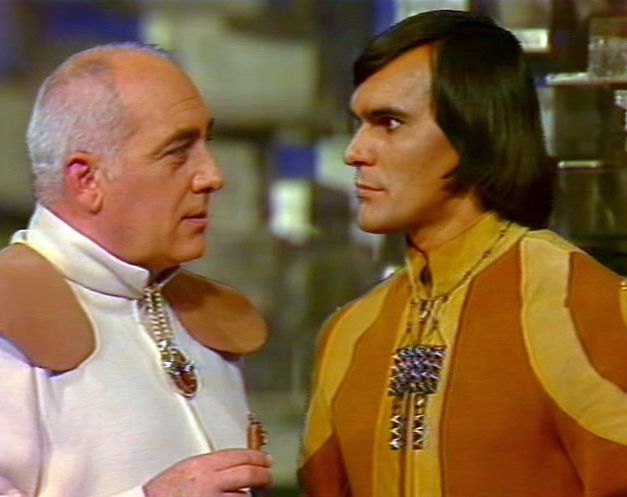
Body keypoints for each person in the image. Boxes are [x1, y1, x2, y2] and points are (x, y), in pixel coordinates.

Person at [300, 9, 627, 497]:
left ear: (473, 130)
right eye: (359, 124)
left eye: (389, 123)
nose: (355, 151)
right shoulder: (350, 332)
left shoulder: (576, 305)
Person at [0, 42, 273, 497]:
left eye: (206, 143)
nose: (212, 176)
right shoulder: (8, 318)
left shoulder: (204, 314)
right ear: (87, 180)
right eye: (177, 152)